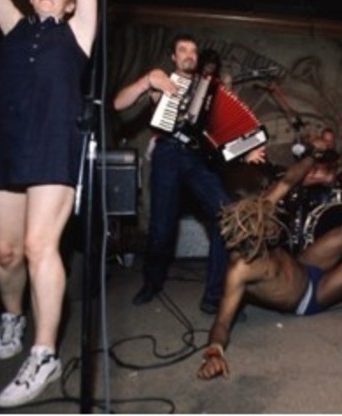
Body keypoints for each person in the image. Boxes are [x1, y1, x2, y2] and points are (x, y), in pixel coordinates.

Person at [0, 0, 97, 407]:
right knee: (5, 251)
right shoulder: (12, 25)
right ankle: (12, 316)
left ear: (70, 2)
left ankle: (44, 354)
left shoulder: (78, 33)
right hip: (5, 141)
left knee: (38, 245)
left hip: (53, 142)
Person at [196, 143, 342, 380]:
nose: (274, 221)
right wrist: (213, 353)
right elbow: (222, 323)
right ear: (248, 230)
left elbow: (288, 181)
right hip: (308, 297)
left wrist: (312, 155)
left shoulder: (258, 211)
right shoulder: (239, 269)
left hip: (302, 265)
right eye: (268, 224)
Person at [113, 38, 266, 312]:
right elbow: (118, 104)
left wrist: (245, 152)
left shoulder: (210, 90)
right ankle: (151, 283)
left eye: (193, 51)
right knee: (161, 229)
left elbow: (217, 135)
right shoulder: (161, 80)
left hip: (198, 159)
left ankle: (214, 296)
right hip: (168, 153)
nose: (189, 55)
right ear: (173, 57)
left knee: (226, 217)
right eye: (182, 50)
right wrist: (146, 81)